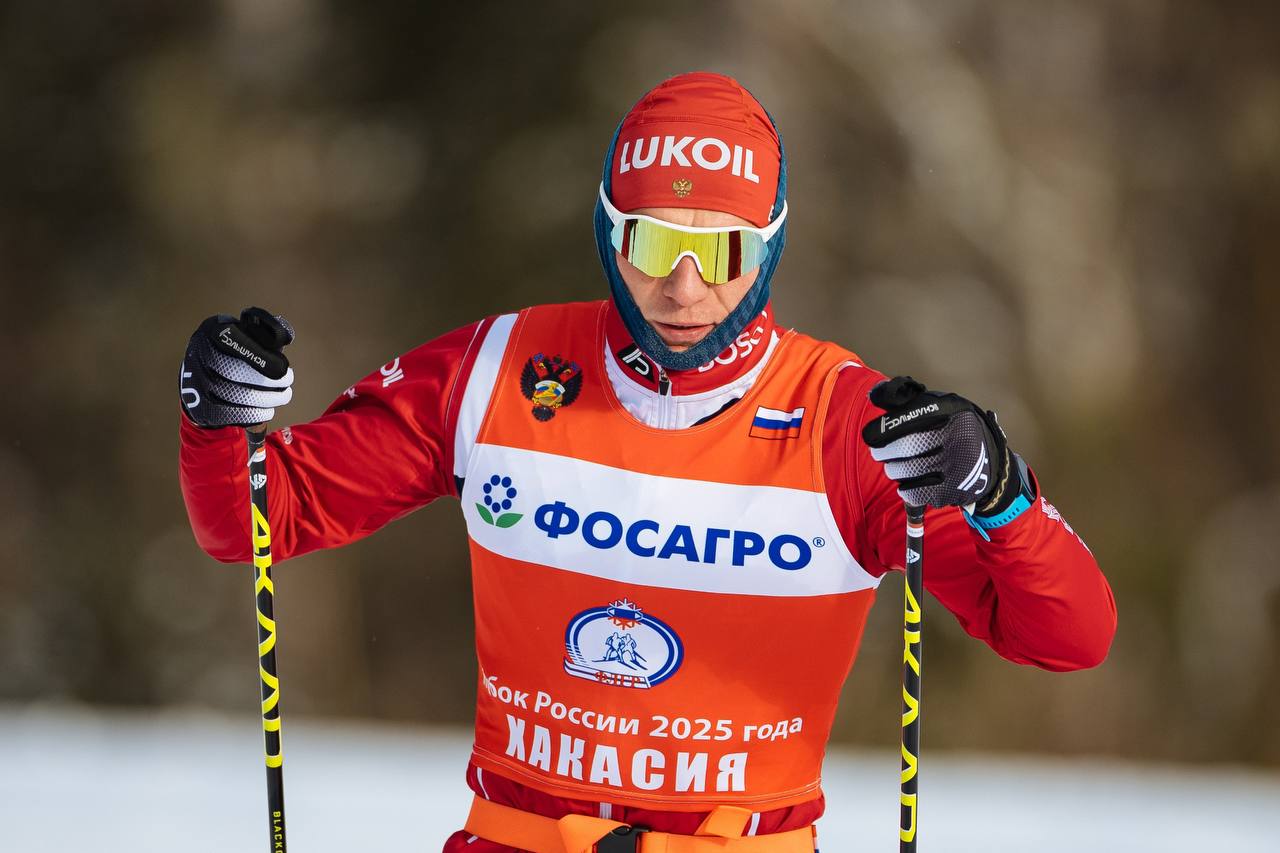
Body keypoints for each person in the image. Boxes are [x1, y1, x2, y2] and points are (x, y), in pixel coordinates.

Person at [178, 72, 1116, 852]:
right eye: (654, 242)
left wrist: (999, 490)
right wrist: (219, 413)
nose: (683, 287)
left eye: (724, 252)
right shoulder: (493, 371)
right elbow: (253, 523)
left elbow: (1069, 634)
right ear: (607, 229)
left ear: (772, 244)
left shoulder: (844, 423)